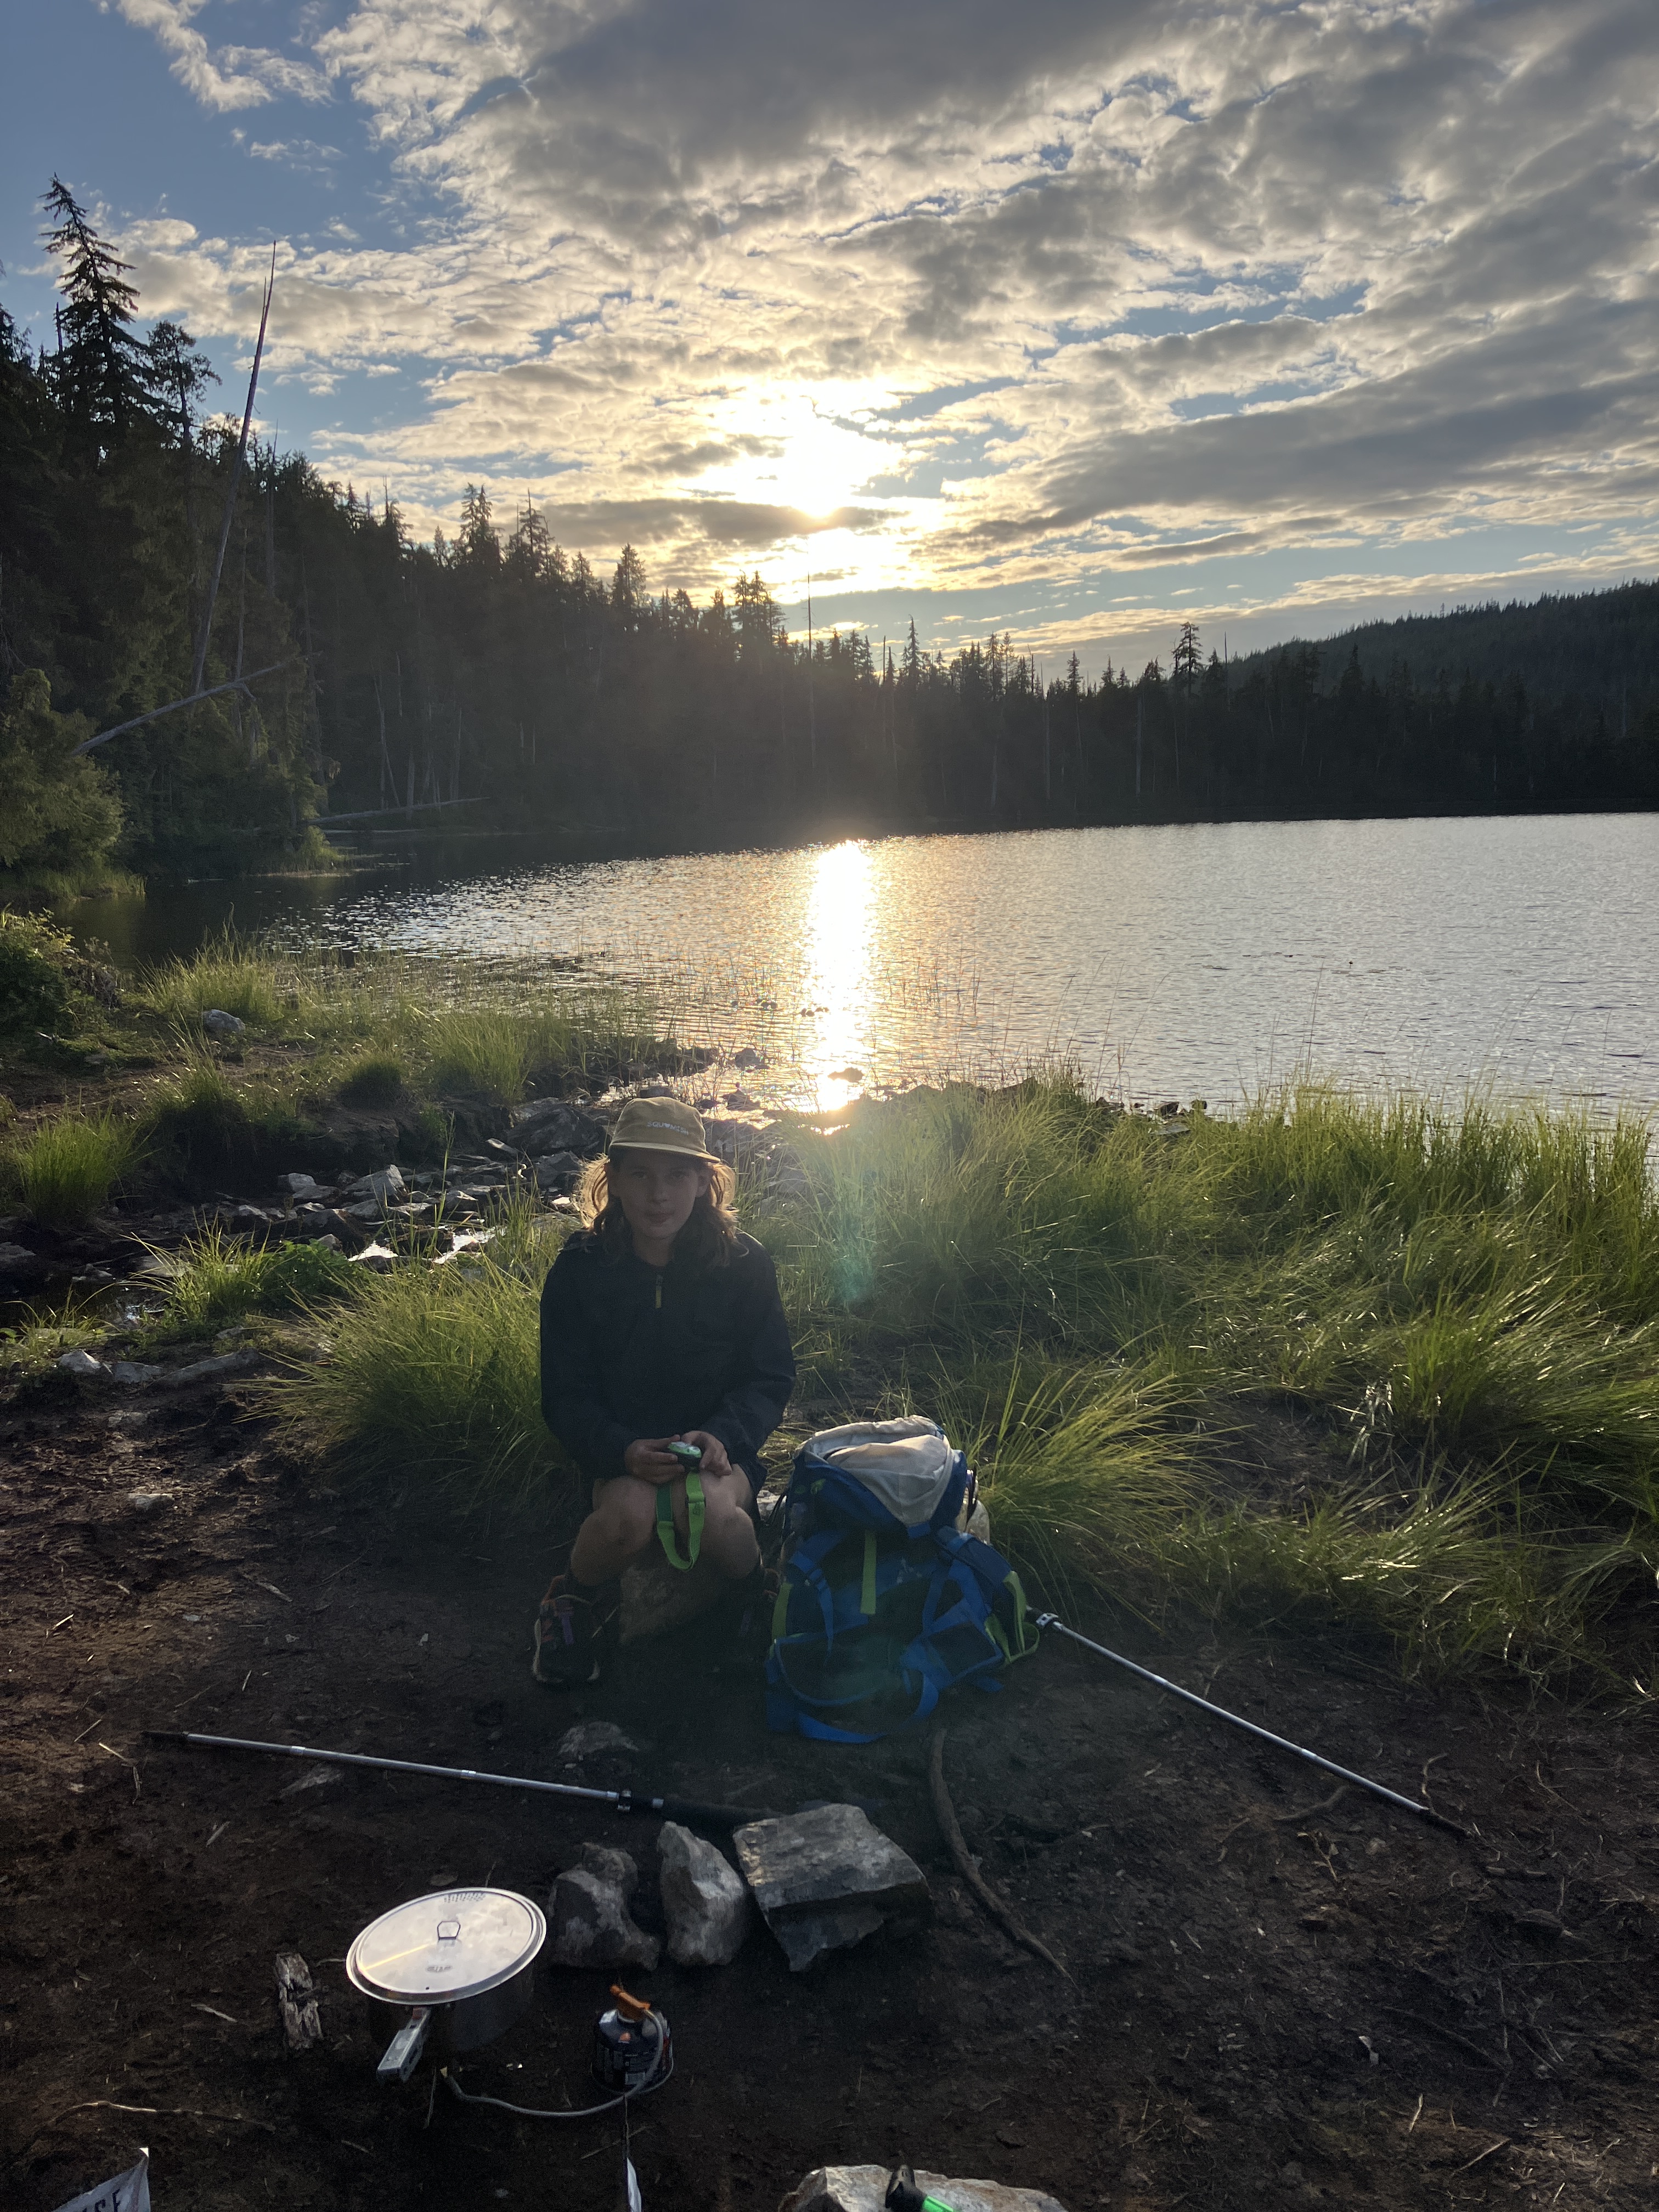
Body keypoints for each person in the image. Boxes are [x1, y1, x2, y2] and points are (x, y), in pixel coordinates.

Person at [532, 1095, 795, 1686]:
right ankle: (568, 1601)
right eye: (641, 1175)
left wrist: (724, 1437)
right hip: (620, 1454)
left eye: (678, 1175)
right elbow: (565, 1395)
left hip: (720, 1454)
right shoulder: (580, 1270)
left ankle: (754, 1594)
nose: (659, 1195)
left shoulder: (745, 1263)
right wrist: (621, 1450)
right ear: (613, 1179)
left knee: (715, 1515)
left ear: (704, 1182)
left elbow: (770, 1376)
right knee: (629, 1517)